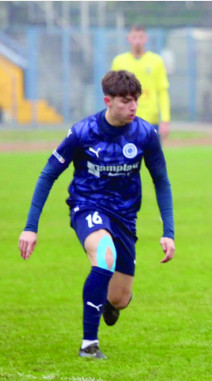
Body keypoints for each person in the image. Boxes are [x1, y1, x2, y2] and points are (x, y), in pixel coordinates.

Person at [18, 70, 175, 359]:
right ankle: (89, 344)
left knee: (120, 298)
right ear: (108, 101)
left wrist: (168, 232)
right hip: (87, 206)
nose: (133, 107)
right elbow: (48, 175)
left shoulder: (145, 134)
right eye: (126, 101)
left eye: (136, 100)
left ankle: (108, 303)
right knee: (105, 255)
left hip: (125, 216)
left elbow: (161, 181)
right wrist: (30, 227)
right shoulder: (83, 132)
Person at [112, 24, 171, 141]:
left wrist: (165, 120)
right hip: (125, 120)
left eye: (140, 37)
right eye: (134, 37)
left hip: (150, 120)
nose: (137, 41)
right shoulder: (119, 62)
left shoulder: (156, 61)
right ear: (128, 39)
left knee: (151, 153)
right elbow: (113, 93)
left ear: (146, 39)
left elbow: (162, 91)